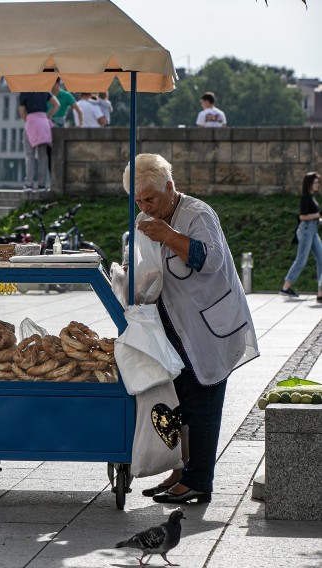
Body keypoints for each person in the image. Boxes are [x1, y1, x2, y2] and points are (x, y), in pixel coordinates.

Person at [122, 153, 259, 505]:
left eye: (150, 198)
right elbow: (140, 262)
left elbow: (210, 259)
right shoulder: (144, 219)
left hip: (209, 326)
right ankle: (183, 471)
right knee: (179, 401)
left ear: (170, 188)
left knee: (203, 402)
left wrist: (168, 236)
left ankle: (200, 480)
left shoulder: (197, 214)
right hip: (174, 325)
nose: (145, 207)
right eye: (138, 201)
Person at [280, 171, 322, 302]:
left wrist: (319, 218)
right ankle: (285, 288)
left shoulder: (311, 197)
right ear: (309, 183)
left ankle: (320, 292)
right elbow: (303, 216)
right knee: (301, 260)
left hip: (313, 230)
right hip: (306, 231)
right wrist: (319, 214)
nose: (317, 185)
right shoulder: (305, 197)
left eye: (318, 182)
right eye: (315, 182)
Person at [19, 91, 59, 190]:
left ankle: (29, 183)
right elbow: (56, 104)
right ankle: (42, 184)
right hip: (43, 122)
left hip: (31, 121)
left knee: (29, 155)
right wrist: (47, 116)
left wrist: (27, 121)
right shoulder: (45, 91)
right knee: (43, 156)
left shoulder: (24, 92)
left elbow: (22, 110)